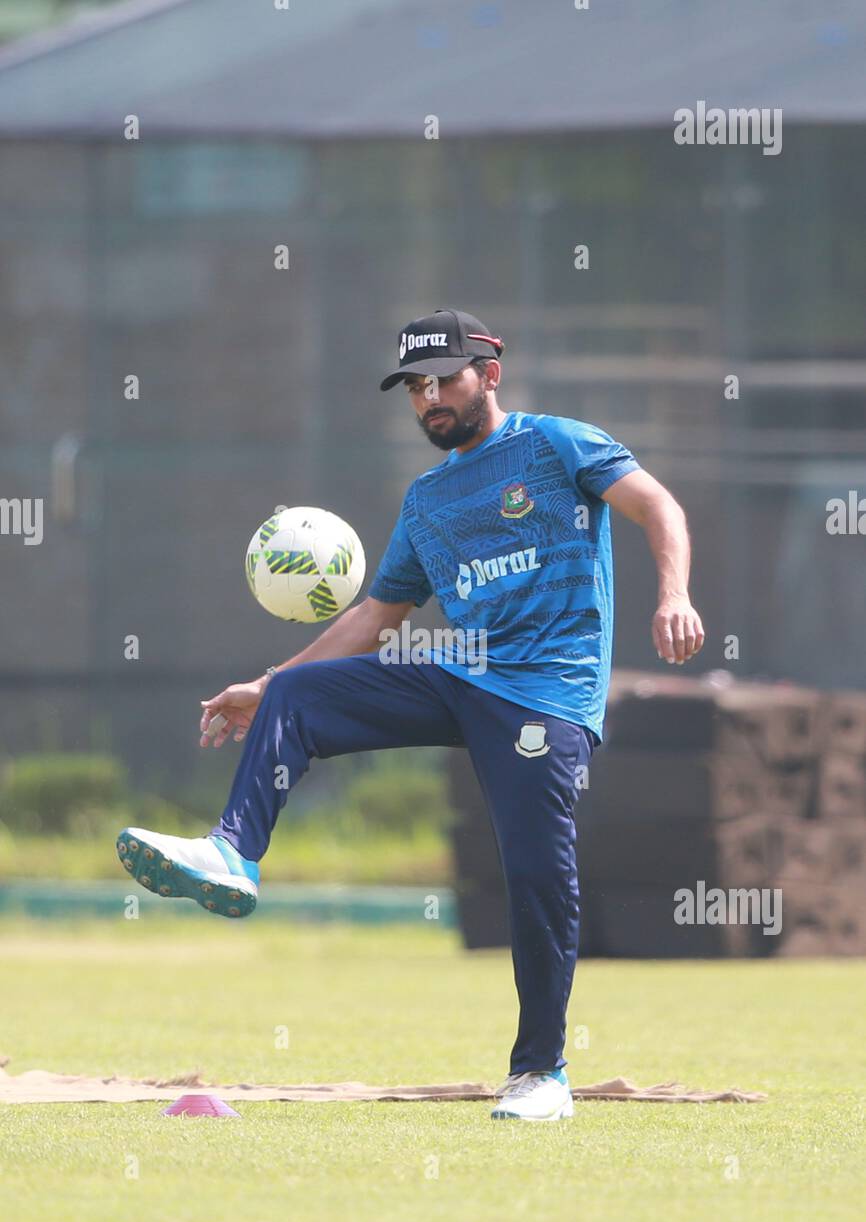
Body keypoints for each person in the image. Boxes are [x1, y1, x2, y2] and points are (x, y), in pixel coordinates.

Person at [117, 308, 704, 1121]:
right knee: (296, 693)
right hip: (461, 672)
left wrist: (673, 594)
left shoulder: (557, 443)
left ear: (489, 375)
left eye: (445, 380)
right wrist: (266, 684)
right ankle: (231, 855)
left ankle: (542, 1074)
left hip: (545, 693)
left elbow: (658, 506)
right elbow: (375, 618)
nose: (430, 398)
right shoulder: (427, 498)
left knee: (536, 874)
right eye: (416, 387)